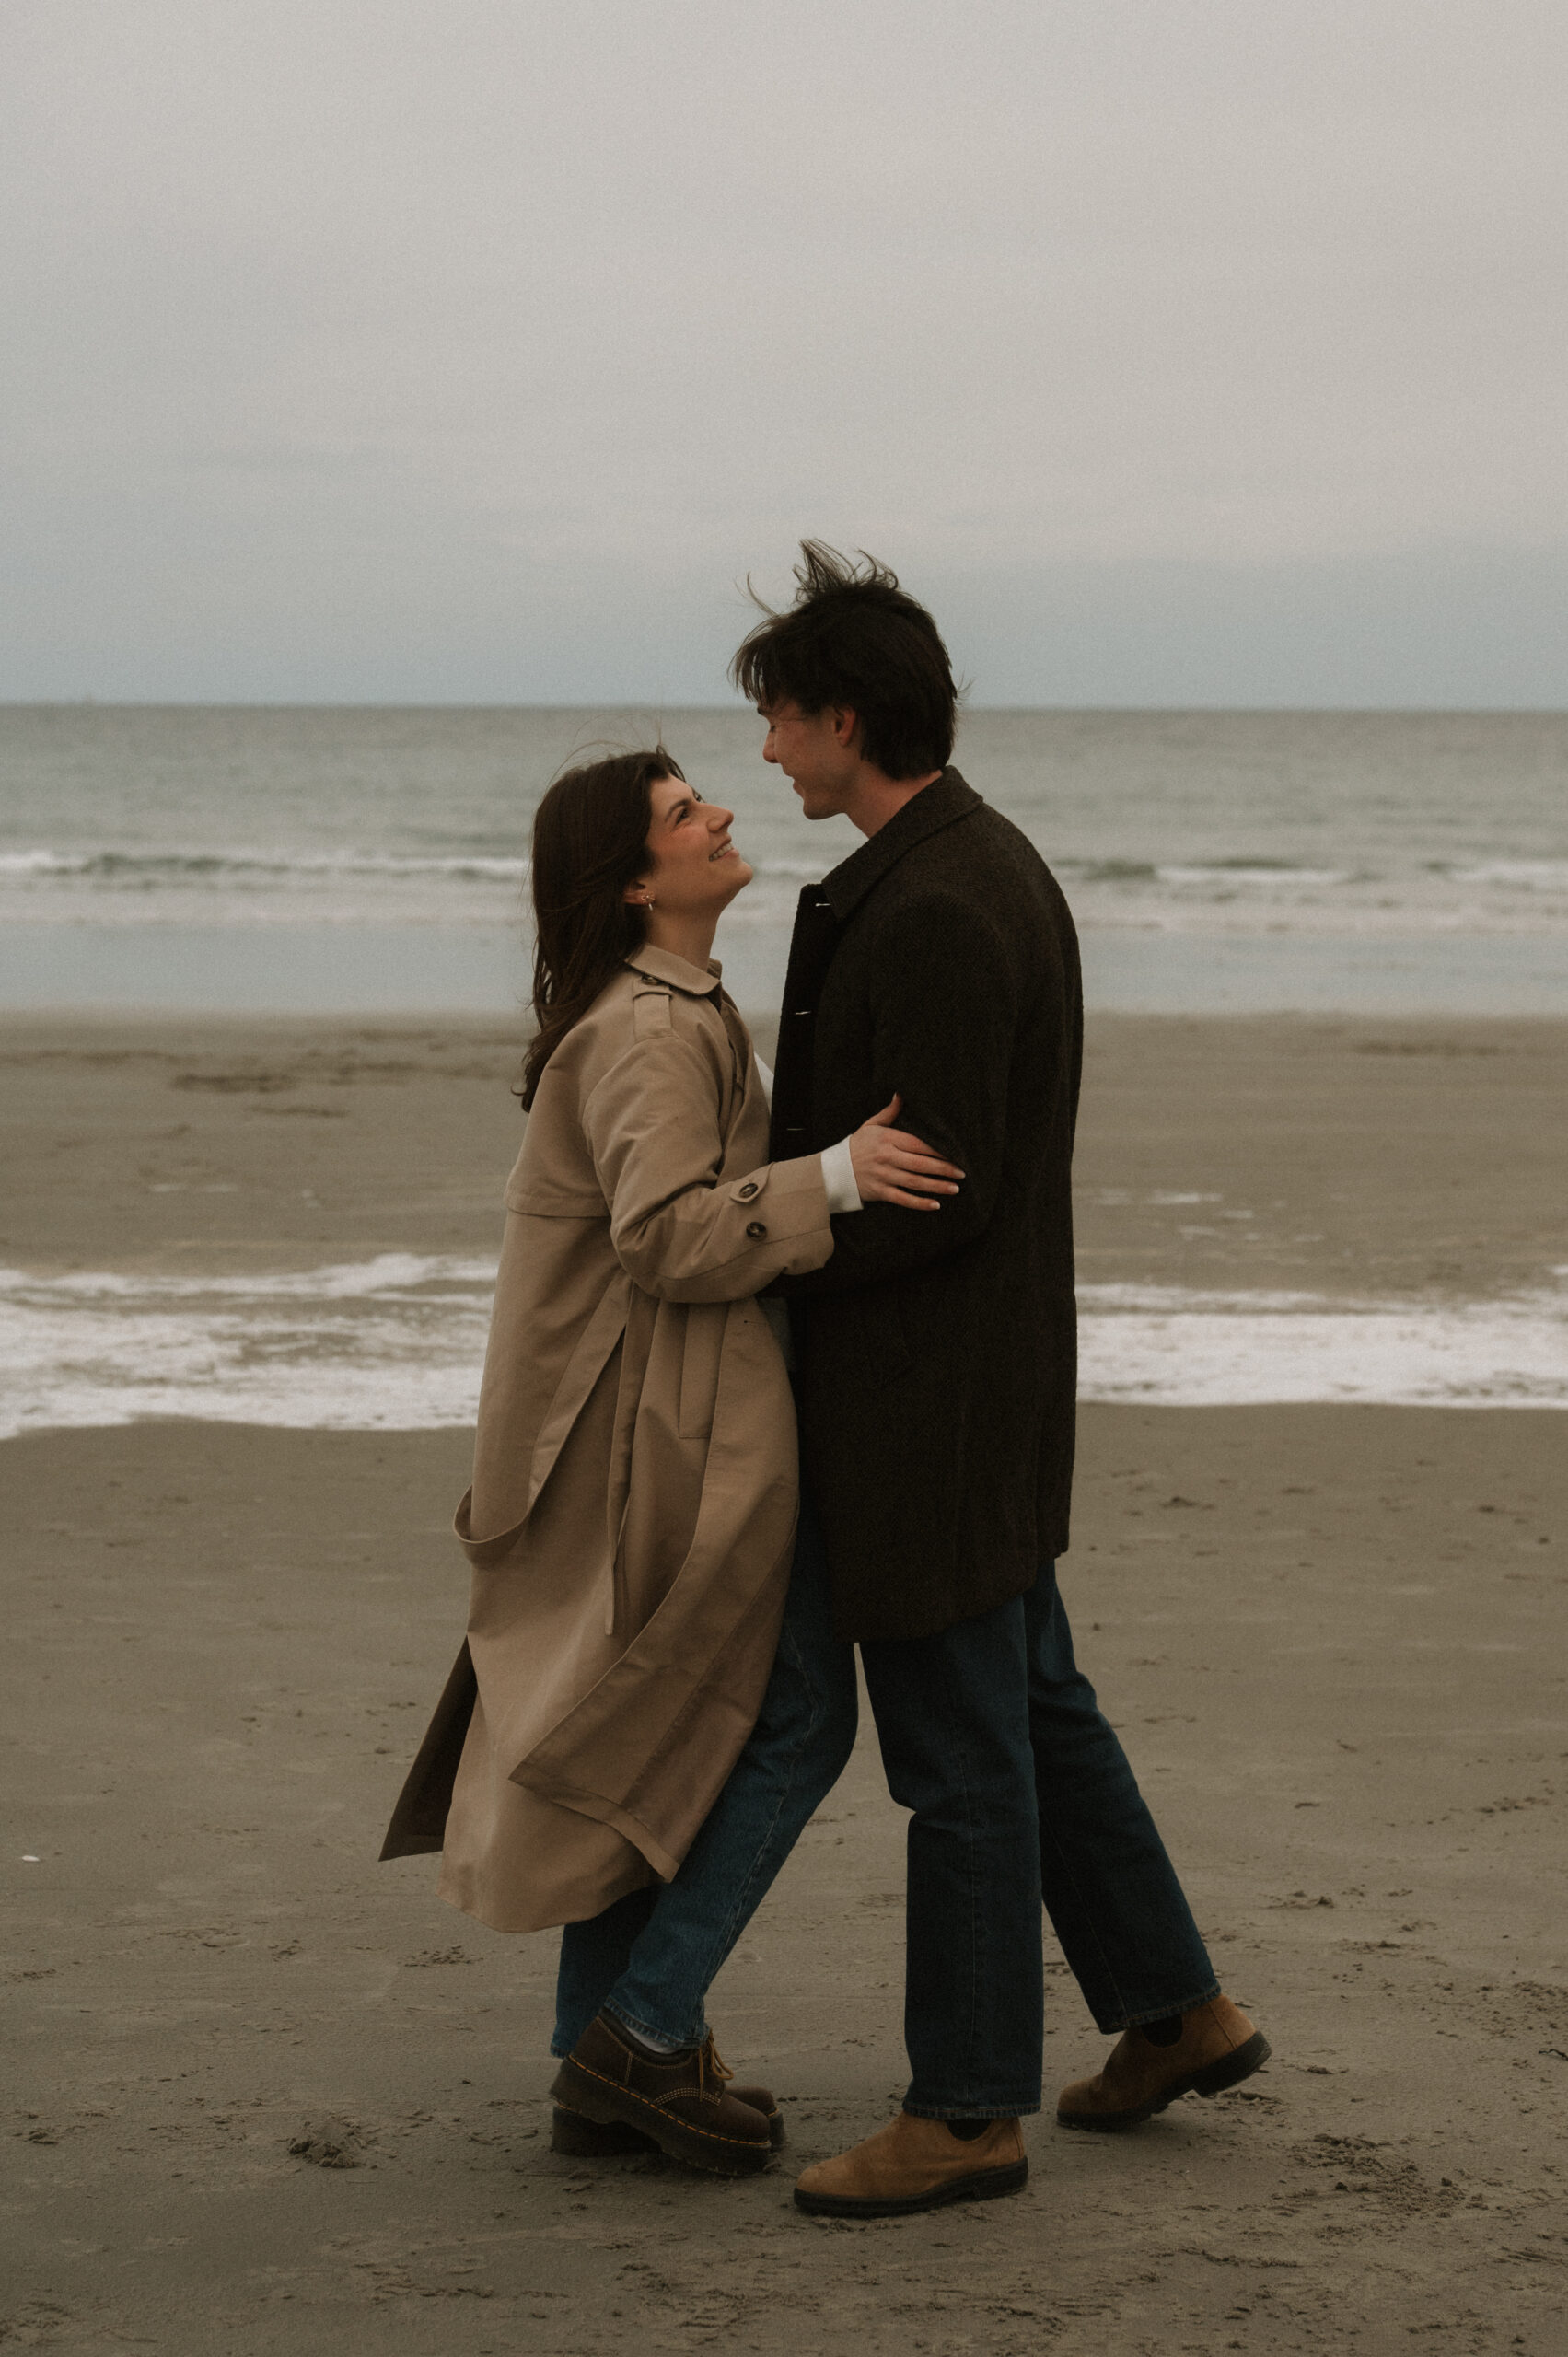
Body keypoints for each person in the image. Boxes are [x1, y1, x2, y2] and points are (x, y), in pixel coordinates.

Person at [552, 545, 1269, 2220]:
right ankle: (1176, 2008)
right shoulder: (958, 861)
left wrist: (793, 1243)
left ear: (844, 720)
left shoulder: (940, 898)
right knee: (1038, 1708)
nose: (769, 760)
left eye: (781, 725)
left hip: (928, 1401)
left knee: (959, 1758)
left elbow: (941, 1188)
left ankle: (964, 2113)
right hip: (982, 1383)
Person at [381, 747, 958, 2177]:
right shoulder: (646, 1029)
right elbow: (664, 1238)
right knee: (800, 1719)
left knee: (638, 1727)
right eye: (683, 814)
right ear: (636, 880)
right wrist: (833, 1176)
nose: (719, 817)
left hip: (643, 1423)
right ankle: (639, 2029)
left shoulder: (667, 1004)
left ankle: (605, 2067)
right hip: (657, 1432)